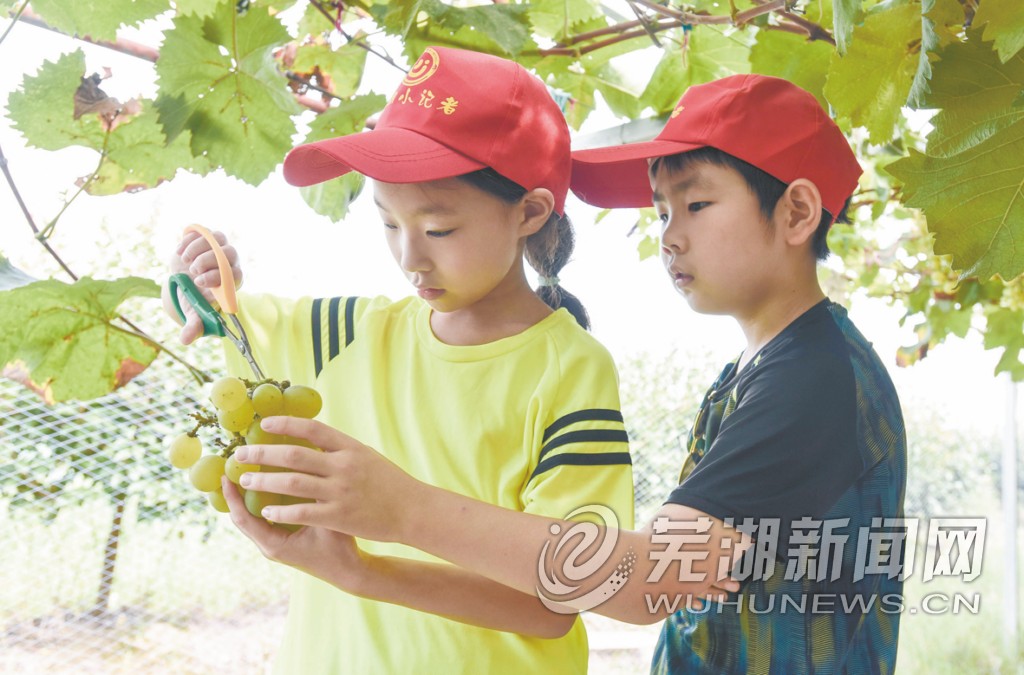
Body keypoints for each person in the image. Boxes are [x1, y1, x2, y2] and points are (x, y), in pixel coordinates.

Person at [233, 74, 907, 674]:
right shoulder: (768, 369)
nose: (669, 234)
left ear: (795, 212)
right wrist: (356, 566)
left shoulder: (811, 381)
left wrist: (402, 509)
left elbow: (648, 579)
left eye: (696, 205)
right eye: (662, 209)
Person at [162, 46, 635, 675]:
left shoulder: (569, 368)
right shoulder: (341, 332)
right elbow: (218, 312)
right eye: (388, 223)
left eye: (438, 230)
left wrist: (364, 570)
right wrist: (193, 273)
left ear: (529, 212)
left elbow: (557, 603)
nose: (411, 257)